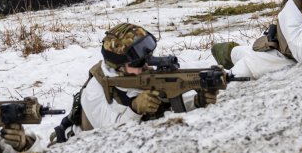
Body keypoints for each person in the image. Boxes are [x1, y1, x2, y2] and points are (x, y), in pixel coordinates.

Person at [58, 23, 216, 136]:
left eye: (147, 58)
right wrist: (134, 109)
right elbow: (109, 134)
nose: (147, 65)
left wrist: (196, 102)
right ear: (119, 66)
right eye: (139, 62)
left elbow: (169, 107)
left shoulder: (141, 75)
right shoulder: (95, 90)